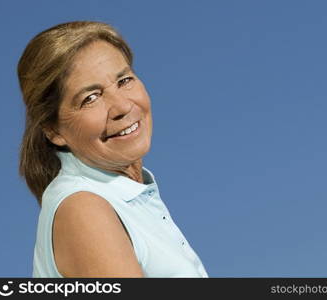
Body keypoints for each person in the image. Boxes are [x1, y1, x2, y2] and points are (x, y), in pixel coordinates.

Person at [17, 21, 208, 278]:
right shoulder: (84, 209)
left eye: (124, 80)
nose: (122, 106)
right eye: (90, 98)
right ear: (54, 131)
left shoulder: (124, 195)